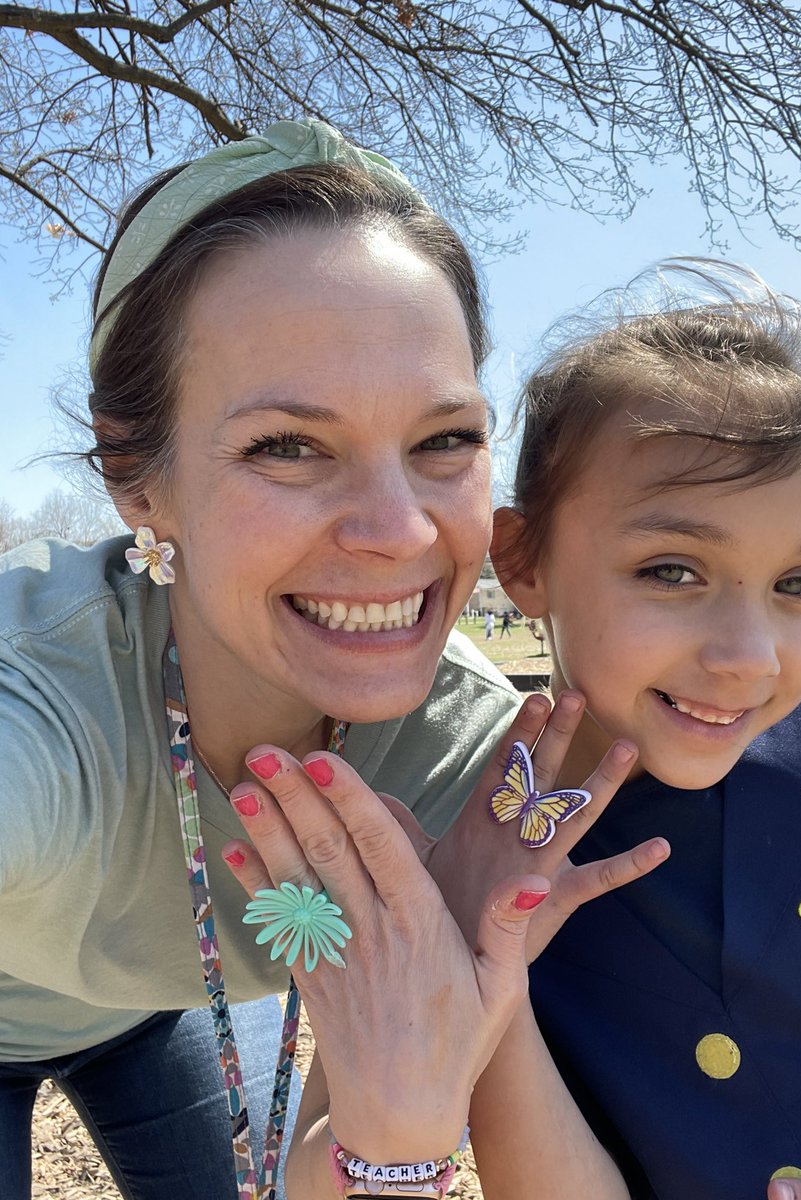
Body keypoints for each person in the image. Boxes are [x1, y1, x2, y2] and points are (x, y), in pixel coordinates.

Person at [1, 118, 649, 1200]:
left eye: (444, 440)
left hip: (156, 1019)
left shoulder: (483, 767)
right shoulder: (40, 693)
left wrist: (402, 1122)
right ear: (134, 478)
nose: (399, 531)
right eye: (288, 445)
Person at [476, 267, 801, 1199]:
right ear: (522, 561)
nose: (750, 659)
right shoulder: (483, 870)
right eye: (673, 571)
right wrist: (487, 979)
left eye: (799, 583)